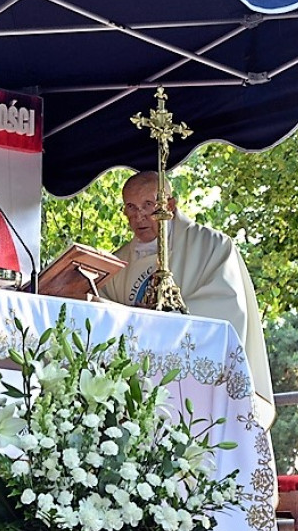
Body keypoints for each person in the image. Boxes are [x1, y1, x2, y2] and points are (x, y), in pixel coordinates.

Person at [99, 171, 275, 428]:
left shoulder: (212, 246)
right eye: (131, 208)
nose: (139, 217)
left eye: (148, 206)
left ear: (170, 205)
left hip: (197, 389)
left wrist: (155, 320)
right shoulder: (117, 263)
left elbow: (225, 312)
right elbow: (101, 312)